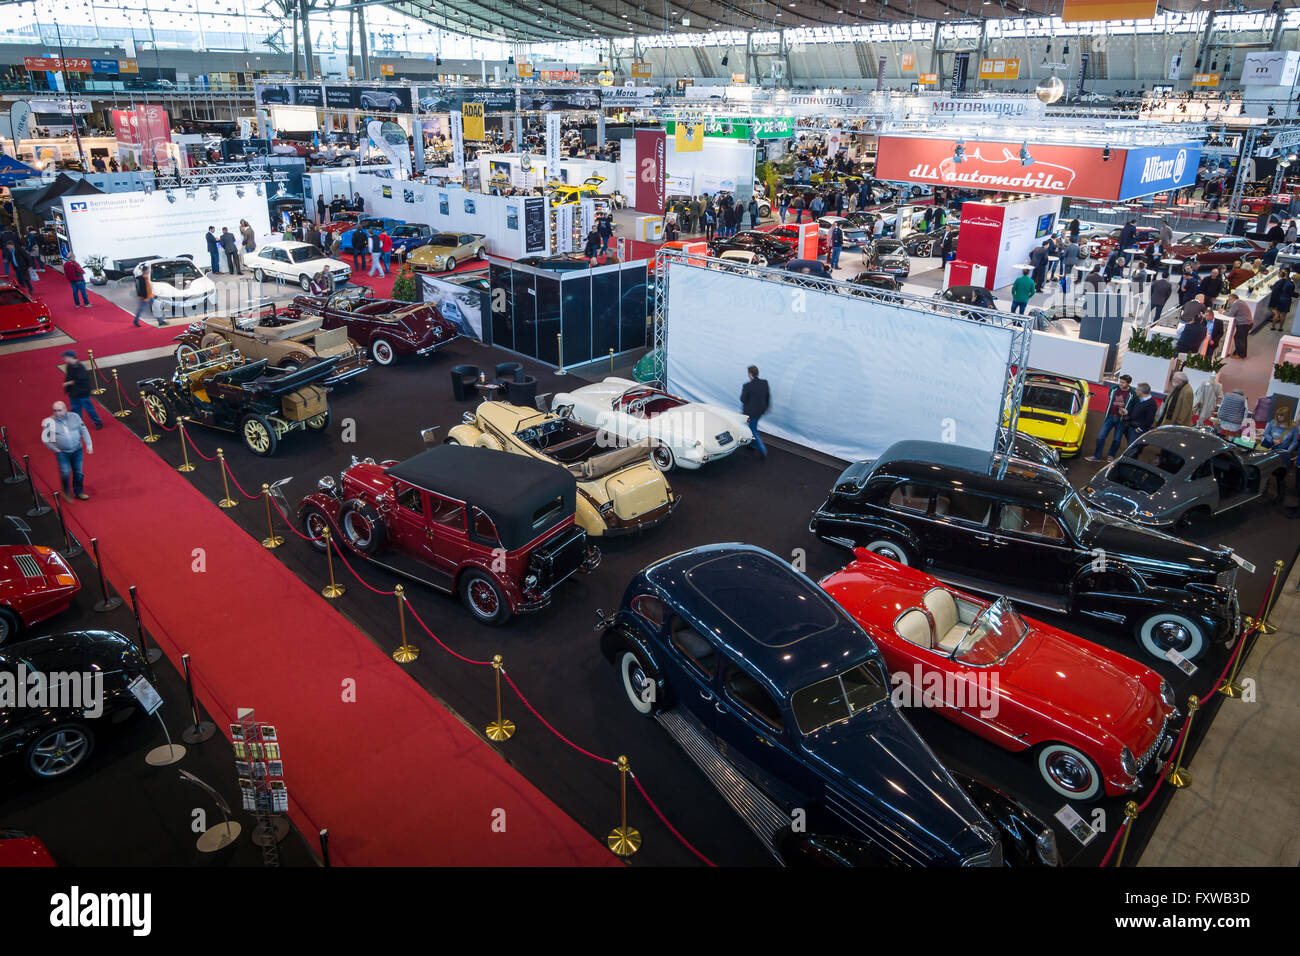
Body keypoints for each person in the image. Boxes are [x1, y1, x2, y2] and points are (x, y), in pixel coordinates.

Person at [41, 401, 93, 501]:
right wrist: (56, 449)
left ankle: (79, 492)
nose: (57, 413)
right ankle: (65, 491)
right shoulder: (49, 422)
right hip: (62, 453)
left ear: (65, 409)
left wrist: (89, 444)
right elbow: (45, 439)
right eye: (55, 411)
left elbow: (84, 430)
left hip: (77, 450)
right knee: (65, 472)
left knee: (78, 473)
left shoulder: (75, 417)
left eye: (59, 410)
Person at [1087, 374, 1135, 461]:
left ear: (1129, 383)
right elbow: (1110, 399)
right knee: (1100, 437)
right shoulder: (1113, 389)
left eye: (1123, 382)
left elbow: (1134, 406)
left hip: (1121, 420)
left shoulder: (1133, 394)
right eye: (1120, 381)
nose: (1121, 384)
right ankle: (1097, 456)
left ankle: (1111, 455)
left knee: (1117, 440)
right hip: (1110, 417)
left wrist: (1126, 412)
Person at [61, 350, 102, 430]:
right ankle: (77, 424)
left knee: (89, 409)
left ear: (71, 357)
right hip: (73, 393)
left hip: (82, 392)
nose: (64, 359)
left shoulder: (80, 367)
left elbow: (80, 380)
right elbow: (69, 377)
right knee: (75, 410)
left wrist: (67, 383)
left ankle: (98, 422)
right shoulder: (69, 366)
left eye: (65, 357)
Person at [740, 365, 770, 462]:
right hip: (760, 411)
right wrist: (766, 407)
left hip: (750, 412)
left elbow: (743, 399)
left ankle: (763, 449)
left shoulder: (747, 386)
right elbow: (767, 396)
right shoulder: (765, 383)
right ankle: (752, 445)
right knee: (753, 427)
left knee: (753, 429)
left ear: (750, 374)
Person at [1223, 293, 1254, 358]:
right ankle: (1239, 353)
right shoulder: (1240, 302)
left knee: (1240, 339)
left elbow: (1231, 314)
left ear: (1233, 299)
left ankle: (1240, 355)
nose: (1228, 302)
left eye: (1229, 300)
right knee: (1241, 338)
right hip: (1247, 323)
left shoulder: (1237, 304)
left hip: (1244, 324)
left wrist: (1223, 312)